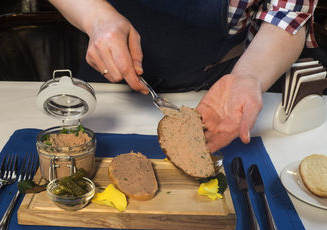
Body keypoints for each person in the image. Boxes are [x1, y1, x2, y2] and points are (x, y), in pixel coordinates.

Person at [49, 0, 318, 152]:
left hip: (216, 93)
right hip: (109, 85)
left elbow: (287, 16)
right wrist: (97, 19)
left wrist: (248, 76)